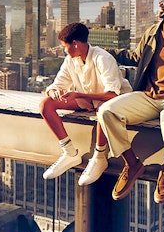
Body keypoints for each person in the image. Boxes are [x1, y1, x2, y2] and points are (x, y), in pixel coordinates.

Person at [77, 0, 164, 203]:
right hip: (148, 95)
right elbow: (136, 57)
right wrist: (100, 51)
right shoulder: (152, 32)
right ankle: (132, 163)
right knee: (107, 111)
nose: (161, 5)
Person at [40, 22, 132, 180]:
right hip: (88, 100)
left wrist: (78, 95)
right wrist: (54, 92)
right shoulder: (71, 60)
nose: (64, 50)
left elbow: (112, 95)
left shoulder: (103, 58)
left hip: (114, 103)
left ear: (74, 44)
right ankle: (69, 152)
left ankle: (99, 157)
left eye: (64, 46)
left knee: (103, 109)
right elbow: (57, 83)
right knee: (46, 104)